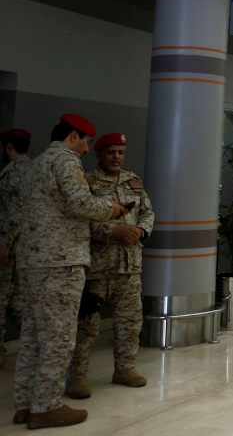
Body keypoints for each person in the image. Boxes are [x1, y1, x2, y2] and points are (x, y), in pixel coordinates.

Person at [13, 115, 126, 428]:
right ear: (74, 136)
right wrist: (110, 209)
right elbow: (80, 203)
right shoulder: (66, 159)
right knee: (59, 337)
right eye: (87, 141)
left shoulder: (35, 163)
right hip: (60, 261)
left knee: (33, 336)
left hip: (32, 260)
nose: (88, 149)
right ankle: (46, 406)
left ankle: (25, 403)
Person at [66, 133, 154, 399]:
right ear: (99, 155)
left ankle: (125, 369)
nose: (116, 157)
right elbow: (80, 219)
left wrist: (139, 230)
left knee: (130, 323)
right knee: (86, 327)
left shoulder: (133, 181)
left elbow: (148, 211)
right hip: (97, 269)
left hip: (129, 267)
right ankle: (77, 378)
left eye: (120, 152)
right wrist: (112, 231)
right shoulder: (88, 182)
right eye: (110, 152)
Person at [0, 129, 32, 369]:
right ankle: (36, 344)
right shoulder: (33, 169)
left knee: (3, 299)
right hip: (26, 248)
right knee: (17, 300)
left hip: (10, 248)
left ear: (9, 147)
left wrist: (4, 245)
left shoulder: (14, 173)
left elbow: (13, 214)